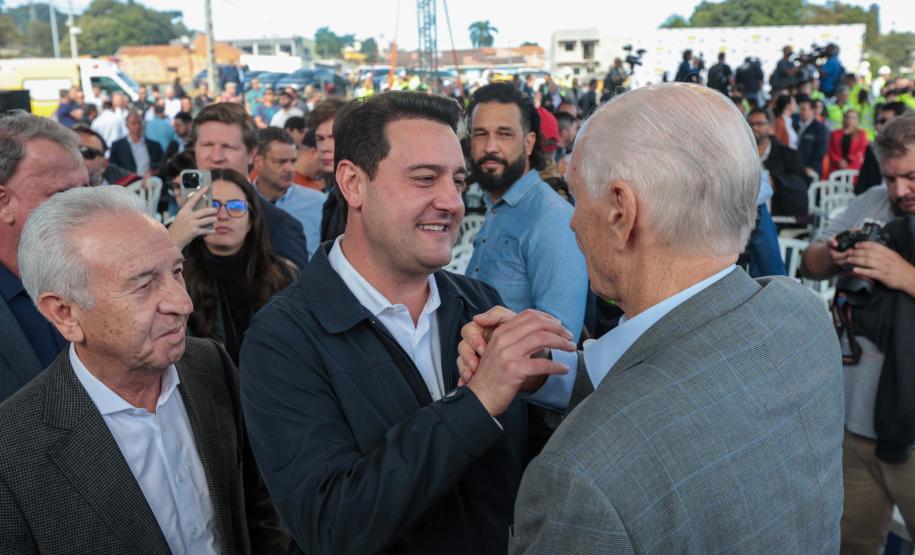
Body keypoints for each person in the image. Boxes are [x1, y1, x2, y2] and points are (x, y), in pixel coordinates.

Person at [460, 83, 845, 553]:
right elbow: (677, 378)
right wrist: (547, 374)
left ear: (621, 211)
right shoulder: (799, 312)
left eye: (578, 198)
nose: (572, 221)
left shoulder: (580, 478)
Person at [239, 91, 574, 555]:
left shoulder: (480, 303)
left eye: (457, 181)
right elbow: (333, 524)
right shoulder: (282, 339)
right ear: (353, 184)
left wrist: (537, 382)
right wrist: (475, 403)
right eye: (424, 179)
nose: (452, 202)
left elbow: (528, 471)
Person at [0, 186, 289, 553]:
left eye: (177, 271)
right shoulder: (11, 452)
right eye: (143, 283)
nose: (182, 304)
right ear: (64, 313)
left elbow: (256, 505)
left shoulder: (209, 364)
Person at [801, 113, 915, 552]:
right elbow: (810, 264)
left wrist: (903, 275)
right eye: (890, 178)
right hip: (854, 427)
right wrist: (833, 254)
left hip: (909, 433)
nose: (899, 191)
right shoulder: (870, 202)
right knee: (851, 545)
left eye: (911, 177)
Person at [465, 83, 588, 343]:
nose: (490, 147)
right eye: (480, 134)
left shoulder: (552, 219)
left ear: (529, 142)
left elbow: (559, 347)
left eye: (504, 134)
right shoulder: (497, 207)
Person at [0, 113, 88, 402]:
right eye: (61, 195)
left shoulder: (97, 276)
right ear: (3, 204)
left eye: (86, 190)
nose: (84, 208)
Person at [183, 168, 296, 364]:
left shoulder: (284, 275)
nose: (223, 215)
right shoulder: (178, 277)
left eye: (235, 206)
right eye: (213, 205)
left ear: (252, 219)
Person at [181, 102, 309, 269]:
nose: (216, 157)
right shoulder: (174, 228)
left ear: (251, 154)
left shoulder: (281, 227)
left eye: (228, 147)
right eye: (207, 145)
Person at [252, 128, 326, 259]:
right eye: (281, 162)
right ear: (258, 162)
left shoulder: (320, 203)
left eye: (293, 161)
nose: (291, 169)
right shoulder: (241, 202)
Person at [747, 108, 809, 221]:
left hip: (776, 216)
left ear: (770, 127)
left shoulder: (788, 155)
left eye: (759, 124)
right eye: (750, 124)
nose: (754, 128)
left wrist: (775, 181)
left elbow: (801, 185)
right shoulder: (739, 155)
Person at [310, 96, 349, 242]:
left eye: (332, 137)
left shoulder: (366, 193)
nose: (325, 148)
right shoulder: (333, 190)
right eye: (320, 139)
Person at [857, 101, 910, 194]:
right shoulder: (872, 150)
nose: (878, 126)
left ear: (901, 122)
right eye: (878, 121)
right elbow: (862, 186)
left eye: (884, 121)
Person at [110, 111, 164, 176]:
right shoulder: (117, 146)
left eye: (139, 123)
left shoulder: (155, 146)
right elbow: (113, 169)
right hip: (127, 184)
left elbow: (161, 165)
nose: (137, 126)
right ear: (127, 125)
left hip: (151, 183)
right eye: (133, 123)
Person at [795, 95, 830, 180]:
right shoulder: (795, 126)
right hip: (796, 168)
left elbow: (821, 151)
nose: (800, 112)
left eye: (803, 109)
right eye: (799, 109)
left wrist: (812, 167)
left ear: (812, 111)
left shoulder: (820, 128)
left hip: (811, 170)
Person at [828, 109, 868, 174]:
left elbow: (862, 149)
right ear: (844, 118)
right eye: (848, 117)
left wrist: (848, 160)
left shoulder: (861, 134)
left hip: (853, 167)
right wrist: (839, 161)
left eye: (853, 118)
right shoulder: (834, 133)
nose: (850, 120)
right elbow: (831, 149)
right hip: (836, 167)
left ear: (857, 120)